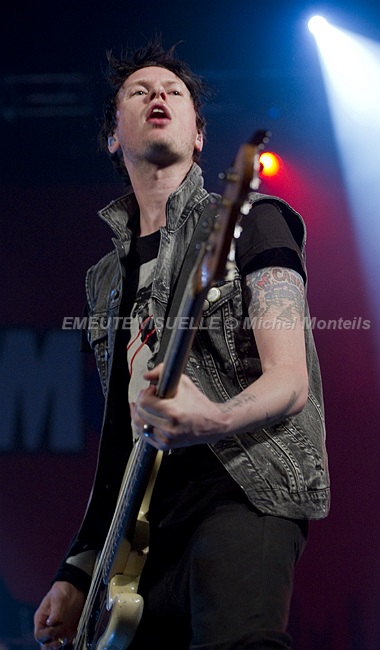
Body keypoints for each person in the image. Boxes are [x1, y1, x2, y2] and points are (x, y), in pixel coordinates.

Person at [33, 38, 330, 650]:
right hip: (143, 535)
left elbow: (291, 379)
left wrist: (211, 418)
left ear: (198, 136)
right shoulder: (104, 281)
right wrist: (78, 567)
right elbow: (120, 437)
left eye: (174, 92)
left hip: (242, 490)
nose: (158, 96)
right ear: (112, 137)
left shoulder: (254, 220)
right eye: (139, 91)